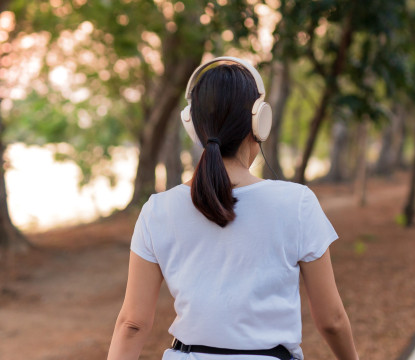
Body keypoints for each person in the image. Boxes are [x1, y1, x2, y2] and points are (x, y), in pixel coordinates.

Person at [107, 57, 359, 360]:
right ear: (259, 122)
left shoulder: (157, 210)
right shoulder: (297, 203)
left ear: (193, 125)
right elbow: (331, 321)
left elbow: (132, 324)